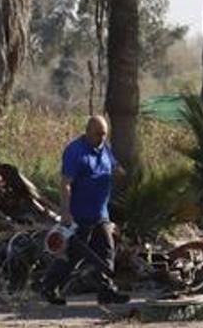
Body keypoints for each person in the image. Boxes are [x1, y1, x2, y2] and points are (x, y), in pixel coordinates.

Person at [40, 115, 130, 305]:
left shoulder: (105, 149)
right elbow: (66, 184)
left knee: (106, 251)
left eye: (104, 135)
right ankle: (49, 286)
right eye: (98, 134)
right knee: (73, 255)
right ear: (88, 131)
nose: (101, 138)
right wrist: (65, 212)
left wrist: (123, 175)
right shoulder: (75, 151)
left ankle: (106, 291)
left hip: (101, 214)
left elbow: (114, 168)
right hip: (79, 215)